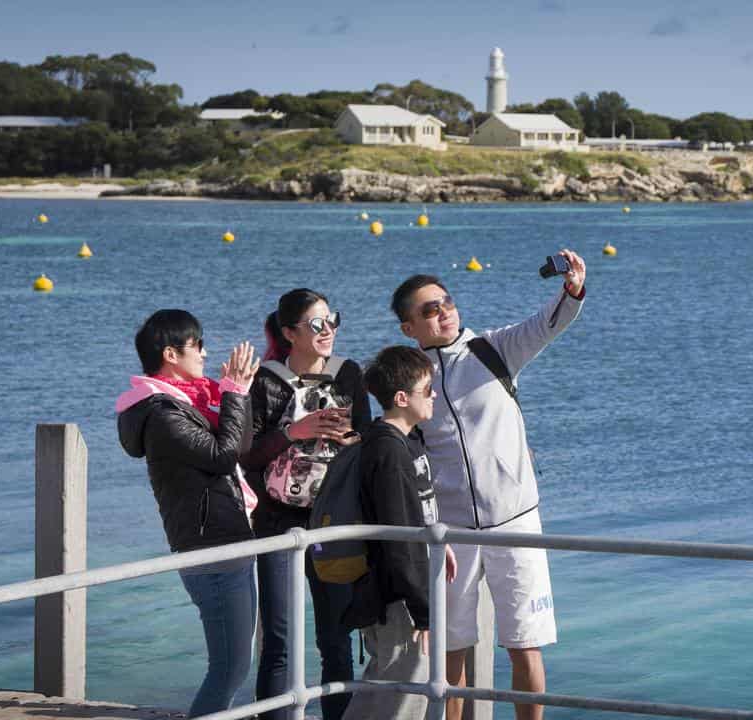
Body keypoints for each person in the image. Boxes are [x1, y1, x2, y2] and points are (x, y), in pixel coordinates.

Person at [390, 249, 586, 720]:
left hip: (515, 523)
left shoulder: (493, 349)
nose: (443, 311)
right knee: (451, 650)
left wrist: (573, 289)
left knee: (525, 646)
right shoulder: (412, 377)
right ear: (408, 328)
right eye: (429, 309)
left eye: (446, 301)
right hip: (452, 535)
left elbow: (547, 324)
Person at [115, 309, 260, 717]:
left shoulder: (194, 402)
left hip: (230, 537)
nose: (204, 352)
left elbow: (242, 443)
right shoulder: (162, 414)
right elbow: (221, 454)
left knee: (234, 664)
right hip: (208, 545)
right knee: (229, 668)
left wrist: (238, 393)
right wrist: (232, 393)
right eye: (197, 344)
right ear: (170, 354)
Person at [241, 288, 373, 720]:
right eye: (316, 324)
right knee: (277, 638)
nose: (328, 330)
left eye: (332, 320)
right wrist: (294, 432)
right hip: (279, 521)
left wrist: (347, 437)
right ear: (289, 332)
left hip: (333, 521)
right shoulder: (266, 380)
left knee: (335, 637)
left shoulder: (349, 373)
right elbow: (247, 455)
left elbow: (369, 443)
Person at [342, 345, 457, 720]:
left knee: (382, 691)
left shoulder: (408, 440)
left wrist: (440, 542)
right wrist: (423, 612)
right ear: (402, 398)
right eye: (428, 389)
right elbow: (397, 541)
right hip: (397, 600)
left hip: (408, 588)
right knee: (402, 698)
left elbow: (419, 511)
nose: (435, 395)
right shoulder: (388, 453)